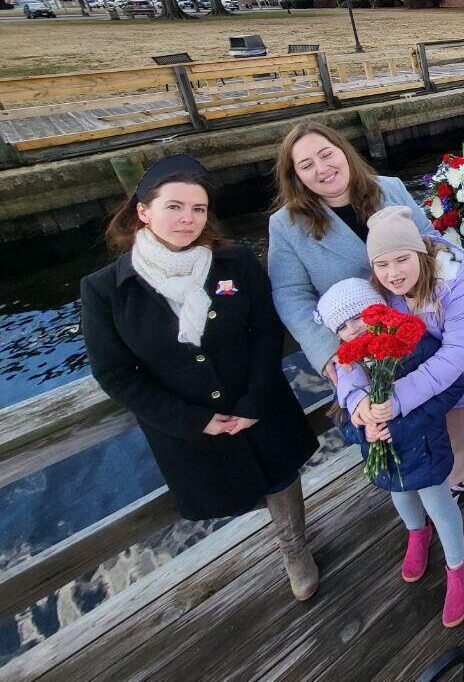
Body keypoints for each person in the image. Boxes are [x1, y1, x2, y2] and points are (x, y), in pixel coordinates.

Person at [79, 154, 321, 601]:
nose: (188, 218)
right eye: (175, 207)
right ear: (143, 211)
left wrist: (254, 400)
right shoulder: (105, 290)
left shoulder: (235, 262)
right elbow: (113, 372)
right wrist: (191, 420)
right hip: (188, 418)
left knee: (280, 472)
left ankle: (294, 546)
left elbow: (267, 331)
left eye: (198, 208)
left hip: (256, 400)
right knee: (228, 484)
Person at [318, 278, 464, 626]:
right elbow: (342, 415)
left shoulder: (414, 344)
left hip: (424, 449)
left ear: (379, 310)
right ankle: (417, 533)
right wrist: (363, 430)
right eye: (341, 326)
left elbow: (452, 387)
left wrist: (399, 424)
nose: (353, 329)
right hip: (388, 463)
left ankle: (457, 565)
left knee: (440, 505)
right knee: (400, 497)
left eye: (359, 317)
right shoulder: (349, 366)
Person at [360, 206, 464, 519]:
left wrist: (400, 396)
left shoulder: (453, 282)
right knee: (450, 431)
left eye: (402, 259)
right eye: (382, 264)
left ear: (419, 254)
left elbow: (458, 349)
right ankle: (461, 475)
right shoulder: (385, 293)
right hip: (435, 384)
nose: (393, 273)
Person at [268, 121, 438, 386]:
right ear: (296, 176)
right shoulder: (286, 225)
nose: (322, 168)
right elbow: (290, 295)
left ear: (344, 151)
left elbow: (433, 243)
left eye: (326, 154)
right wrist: (326, 350)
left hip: (426, 324)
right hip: (366, 350)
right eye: (306, 165)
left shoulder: (390, 188)